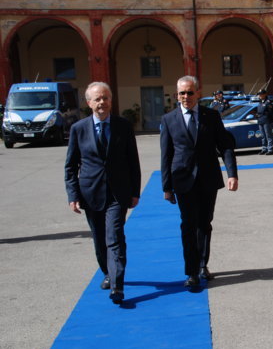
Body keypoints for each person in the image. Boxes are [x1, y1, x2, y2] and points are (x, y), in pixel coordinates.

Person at [64, 82, 141, 305]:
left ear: (111, 100)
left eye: (105, 98)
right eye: (97, 99)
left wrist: (135, 192)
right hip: (90, 194)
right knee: (99, 239)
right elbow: (71, 166)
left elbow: (132, 162)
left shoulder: (123, 126)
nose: (102, 102)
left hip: (118, 194)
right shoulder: (79, 129)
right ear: (89, 103)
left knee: (114, 236)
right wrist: (73, 195)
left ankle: (117, 286)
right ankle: (108, 272)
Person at [160, 75, 238, 289]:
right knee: (188, 225)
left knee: (204, 223)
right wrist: (166, 187)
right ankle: (192, 272)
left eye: (190, 92)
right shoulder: (169, 119)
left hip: (208, 179)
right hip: (182, 179)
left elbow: (225, 146)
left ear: (198, 93)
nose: (186, 96)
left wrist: (232, 173)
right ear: (177, 95)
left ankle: (203, 264)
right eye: (182, 93)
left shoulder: (211, 116)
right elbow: (165, 155)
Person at [255, 89, 273, 155]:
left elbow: (271, 113)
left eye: (261, 94)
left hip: (267, 121)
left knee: (268, 135)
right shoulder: (260, 102)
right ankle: (264, 149)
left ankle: (270, 149)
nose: (259, 96)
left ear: (264, 94)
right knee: (263, 136)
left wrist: (271, 120)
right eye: (259, 95)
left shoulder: (268, 102)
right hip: (260, 121)